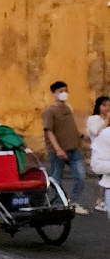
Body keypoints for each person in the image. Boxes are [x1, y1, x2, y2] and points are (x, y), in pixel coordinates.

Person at [43, 81, 88, 214]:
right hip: (57, 151)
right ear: (54, 93)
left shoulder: (68, 108)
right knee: (56, 178)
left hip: (73, 148)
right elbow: (49, 131)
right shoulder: (49, 111)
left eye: (66, 91)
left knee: (80, 176)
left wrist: (82, 136)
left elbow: (71, 127)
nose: (64, 94)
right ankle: (58, 203)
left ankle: (74, 202)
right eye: (61, 91)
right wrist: (57, 149)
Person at [87, 95, 110, 212]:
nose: (107, 108)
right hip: (98, 153)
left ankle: (102, 200)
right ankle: (100, 200)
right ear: (98, 106)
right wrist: (106, 121)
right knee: (104, 177)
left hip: (107, 151)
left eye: (109, 105)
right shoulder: (93, 119)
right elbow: (96, 132)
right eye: (104, 105)